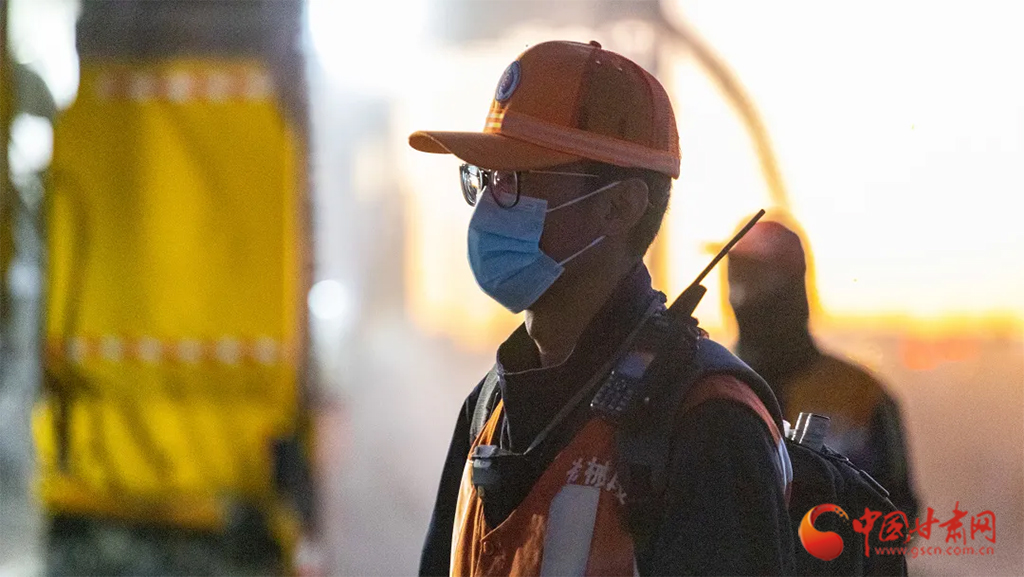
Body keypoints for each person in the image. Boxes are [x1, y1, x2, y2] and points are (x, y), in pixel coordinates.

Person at [409, 40, 795, 576]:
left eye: (517, 180)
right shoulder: (488, 409)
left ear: (619, 206)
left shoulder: (707, 424)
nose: (490, 207)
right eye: (486, 179)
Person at [726, 217, 920, 522]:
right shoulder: (712, 387)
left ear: (791, 290)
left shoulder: (861, 395)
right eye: (735, 277)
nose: (740, 293)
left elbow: (899, 513)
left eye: (756, 279)